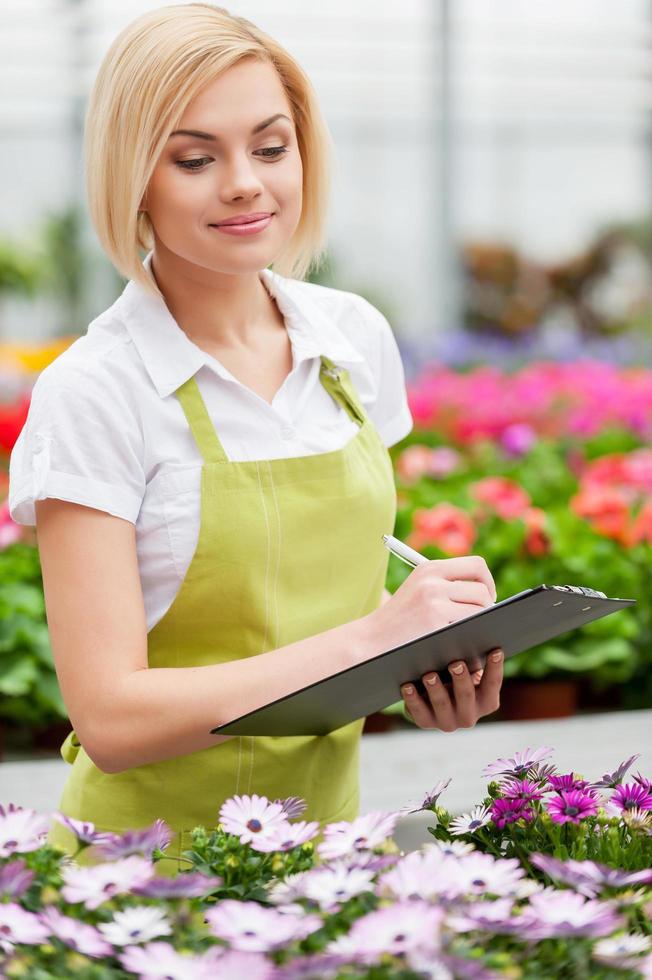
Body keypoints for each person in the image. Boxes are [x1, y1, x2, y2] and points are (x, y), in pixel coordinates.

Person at [8, 3, 503, 875]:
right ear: (134, 179)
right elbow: (113, 722)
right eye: (195, 158)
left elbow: (337, 602)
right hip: (146, 888)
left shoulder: (352, 340)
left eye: (271, 148)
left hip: (330, 860)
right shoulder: (97, 391)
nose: (244, 182)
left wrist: (428, 660)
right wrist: (372, 642)